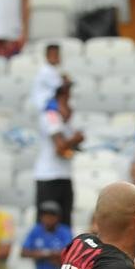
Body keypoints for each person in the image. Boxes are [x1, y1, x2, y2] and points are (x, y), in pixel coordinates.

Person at [35, 80, 82, 227]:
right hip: (49, 177)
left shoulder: (64, 120)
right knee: (46, 226)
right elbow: (60, 147)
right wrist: (76, 139)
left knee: (65, 224)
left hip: (63, 175)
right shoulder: (51, 115)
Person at [21, 200, 73, 269]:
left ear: (58, 217)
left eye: (52, 215)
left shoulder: (64, 231)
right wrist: (48, 254)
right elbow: (24, 252)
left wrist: (39, 254)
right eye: (45, 215)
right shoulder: (36, 231)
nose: (48, 219)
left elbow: (68, 253)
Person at [31, 43, 64, 112]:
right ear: (47, 56)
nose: (56, 57)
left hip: (49, 103)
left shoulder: (52, 69)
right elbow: (61, 87)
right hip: (44, 105)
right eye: (53, 55)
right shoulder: (45, 71)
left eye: (57, 55)